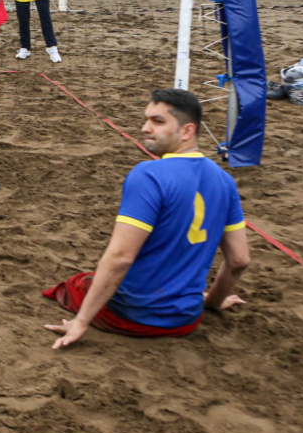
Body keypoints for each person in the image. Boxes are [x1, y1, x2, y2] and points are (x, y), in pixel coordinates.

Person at [44, 89, 250, 349]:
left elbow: (120, 257)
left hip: (134, 316)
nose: (144, 128)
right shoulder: (225, 181)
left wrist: (81, 321)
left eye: (158, 121)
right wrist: (211, 302)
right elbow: (239, 260)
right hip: (185, 319)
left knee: (75, 284)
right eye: (146, 120)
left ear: (187, 131)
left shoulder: (149, 174)